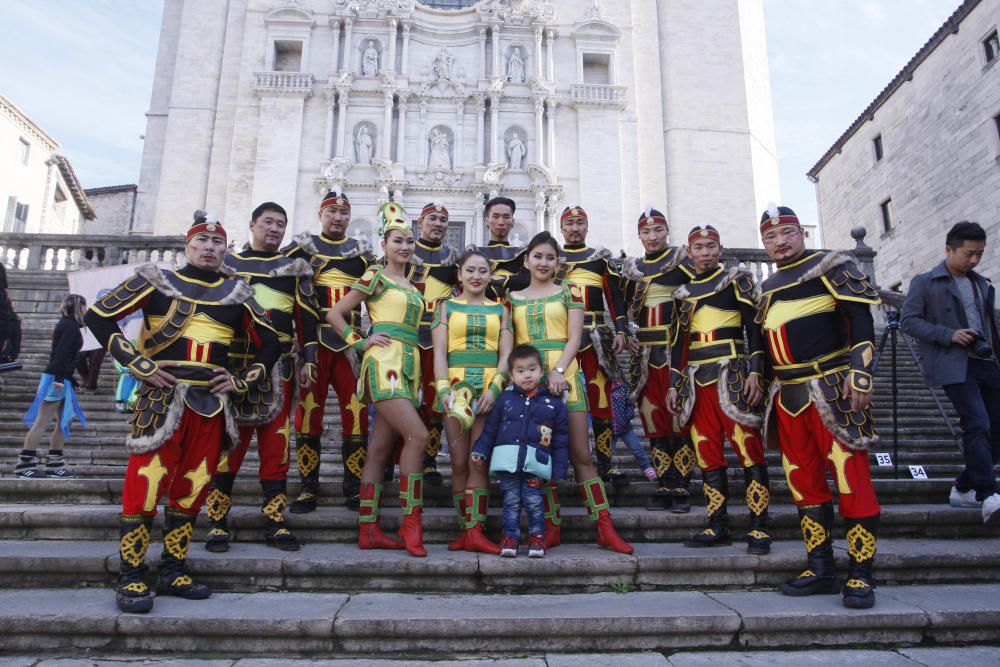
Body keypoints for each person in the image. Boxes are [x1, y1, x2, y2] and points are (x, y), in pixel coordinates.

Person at [85, 212, 280, 614]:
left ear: (227, 249)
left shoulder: (237, 293)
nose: (210, 248)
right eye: (202, 241)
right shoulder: (155, 281)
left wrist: (242, 380)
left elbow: (272, 342)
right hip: (161, 401)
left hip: (211, 405)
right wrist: (139, 365)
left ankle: (173, 568)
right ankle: (132, 573)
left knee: (193, 487)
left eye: (218, 243)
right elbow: (98, 316)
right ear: (188, 245)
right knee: (145, 483)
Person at [757, 204, 881, 609]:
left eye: (787, 233)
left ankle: (861, 572)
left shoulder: (832, 267)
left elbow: (860, 320)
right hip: (788, 396)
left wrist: (860, 374)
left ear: (802, 233)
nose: (779, 242)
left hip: (833, 388)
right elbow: (761, 343)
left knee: (850, 477)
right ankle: (820, 565)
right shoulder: (768, 286)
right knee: (802, 480)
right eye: (771, 237)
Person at [488, 230, 632, 554]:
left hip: (564, 375)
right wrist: (508, 381)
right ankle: (550, 527)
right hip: (527, 381)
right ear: (526, 260)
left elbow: (574, 338)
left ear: (557, 263)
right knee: (542, 455)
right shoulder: (511, 298)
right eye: (537, 256)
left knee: (581, 453)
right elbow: (507, 345)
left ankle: (604, 526)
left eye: (550, 257)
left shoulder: (570, 291)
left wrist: (556, 371)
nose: (543, 262)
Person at [204, 202, 320, 553]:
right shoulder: (227, 266)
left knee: (277, 444)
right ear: (252, 223)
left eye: (280, 224)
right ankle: (216, 521)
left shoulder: (295, 268)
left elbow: (308, 318)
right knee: (228, 445)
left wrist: (309, 361)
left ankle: (275, 519)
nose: (274, 228)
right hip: (232, 368)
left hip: (280, 368)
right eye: (268, 222)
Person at [328, 201, 430, 557]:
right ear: (384, 244)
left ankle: (368, 528)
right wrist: (359, 340)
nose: (405, 246)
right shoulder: (376, 276)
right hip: (383, 361)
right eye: (397, 240)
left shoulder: (415, 283)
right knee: (417, 435)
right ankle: (410, 524)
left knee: (380, 449)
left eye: (410, 241)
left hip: (409, 365)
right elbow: (336, 313)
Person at [665, 225, 771, 554]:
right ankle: (717, 524)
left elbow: (753, 328)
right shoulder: (682, 294)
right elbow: (678, 341)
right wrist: (673, 382)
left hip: (733, 374)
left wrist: (756, 371)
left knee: (749, 451)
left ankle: (759, 527)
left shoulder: (735, 280)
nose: (706, 252)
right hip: (697, 381)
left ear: (720, 249)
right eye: (699, 247)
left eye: (711, 246)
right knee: (708, 455)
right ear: (689, 251)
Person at [900, 221, 1000, 525]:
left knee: (996, 430)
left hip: (988, 362)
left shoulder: (982, 283)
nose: (974, 260)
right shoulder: (926, 282)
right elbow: (909, 321)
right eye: (969, 253)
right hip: (955, 363)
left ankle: (963, 486)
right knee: (977, 423)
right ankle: (988, 494)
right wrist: (949, 334)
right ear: (949, 249)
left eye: (979, 254)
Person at [285, 191, 374, 513]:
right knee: (308, 415)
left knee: (357, 415)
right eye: (331, 211)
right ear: (321, 214)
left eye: (343, 212)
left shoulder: (362, 255)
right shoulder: (301, 249)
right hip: (313, 346)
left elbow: (382, 291)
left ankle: (353, 488)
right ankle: (308, 488)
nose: (337, 217)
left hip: (351, 345)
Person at [432, 248, 512, 554]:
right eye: (471, 270)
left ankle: (477, 530)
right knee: (458, 462)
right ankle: (465, 529)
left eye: (482, 271)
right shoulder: (445, 307)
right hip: (455, 388)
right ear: (460, 274)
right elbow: (439, 352)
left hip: (489, 389)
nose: (477, 276)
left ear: (490, 275)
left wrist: (495, 389)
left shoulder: (500, 309)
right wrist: (443, 391)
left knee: (479, 461)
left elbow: (506, 354)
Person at [620, 208, 695, 511]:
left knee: (679, 418)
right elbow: (622, 307)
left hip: (676, 351)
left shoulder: (683, 262)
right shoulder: (633, 269)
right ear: (639, 235)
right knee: (654, 421)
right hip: (645, 357)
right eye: (646, 232)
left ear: (666, 232)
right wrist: (626, 333)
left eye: (658, 231)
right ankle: (665, 482)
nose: (652, 237)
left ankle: (683, 486)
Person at [557, 206, 631, 488]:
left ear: (586, 227)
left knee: (601, 402)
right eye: (569, 224)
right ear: (562, 228)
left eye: (579, 223)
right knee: (559, 403)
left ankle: (605, 463)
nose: (574, 228)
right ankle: (560, 464)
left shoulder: (600, 260)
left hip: (598, 338)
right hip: (563, 340)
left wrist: (621, 329)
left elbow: (614, 298)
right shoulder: (554, 260)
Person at [471, 344, 568, 558]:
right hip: (508, 462)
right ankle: (510, 537)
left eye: (532, 369)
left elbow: (560, 441)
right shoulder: (504, 400)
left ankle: (537, 538)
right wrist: (480, 450)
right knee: (511, 501)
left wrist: (560, 470)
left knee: (534, 501)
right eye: (520, 371)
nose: (527, 375)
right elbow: (491, 429)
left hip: (537, 462)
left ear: (541, 371)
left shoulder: (554, 404)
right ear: (511, 375)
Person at [409, 203, 458, 486]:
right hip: (406, 336)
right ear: (420, 221)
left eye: (442, 219)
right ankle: (400, 455)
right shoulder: (403, 250)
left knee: (435, 401)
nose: (437, 223)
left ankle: (428, 460)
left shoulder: (453, 260)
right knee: (402, 398)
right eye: (432, 218)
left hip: (439, 336)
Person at [15, 294, 88, 479]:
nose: (86, 310)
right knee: (43, 421)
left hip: (61, 377)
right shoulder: (70, 326)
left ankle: (54, 464)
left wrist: (71, 380)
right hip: (56, 378)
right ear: (79, 307)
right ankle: (24, 465)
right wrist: (60, 378)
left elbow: (65, 355)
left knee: (65, 420)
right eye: (85, 306)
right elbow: (61, 354)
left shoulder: (68, 325)